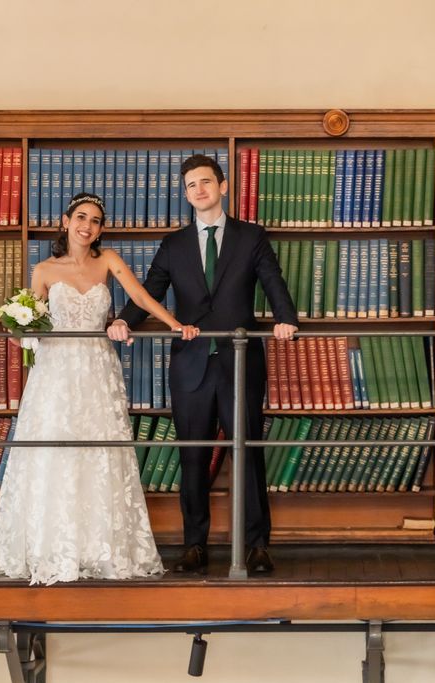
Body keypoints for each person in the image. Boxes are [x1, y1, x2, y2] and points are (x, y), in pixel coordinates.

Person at [0, 192, 199, 585]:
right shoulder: (44, 270)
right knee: (56, 451)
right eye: (81, 217)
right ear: (65, 221)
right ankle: (52, 547)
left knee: (99, 452)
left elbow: (140, 297)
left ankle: (100, 548)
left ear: (101, 229)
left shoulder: (109, 261)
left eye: (96, 220)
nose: (87, 225)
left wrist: (175, 325)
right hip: (55, 371)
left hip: (97, 369)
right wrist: (18, 331)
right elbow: (32, 320)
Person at [107, 154, 298, 575]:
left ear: (223, 186)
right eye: (191, 184)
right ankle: (194, 545)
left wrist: (286, 318)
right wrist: (123, 320)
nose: (199, 190)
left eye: (206, 182)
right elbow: (150, 292)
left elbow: (273, 280)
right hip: (190, 366)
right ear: (186, 192)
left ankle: (257, 546)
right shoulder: (173, 245)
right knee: (192, 457)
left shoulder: (251, 237)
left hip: (239, 361)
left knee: (246, 454)